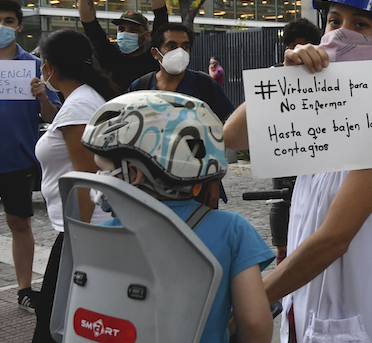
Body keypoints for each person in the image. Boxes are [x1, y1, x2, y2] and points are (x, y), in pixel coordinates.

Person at [223, 0, 372, 343]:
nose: (341, 34)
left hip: (362, 317)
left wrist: (250, 303)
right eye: (334, 21)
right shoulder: (320, 92)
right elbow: (233, 136)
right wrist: (286, 79)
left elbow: (335, 236)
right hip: (307, 307)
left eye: (361, 25)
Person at [82, 90, 274, 343]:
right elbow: (254, 323)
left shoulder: (102, 235)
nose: (97, 179)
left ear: (133, 173)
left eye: (101, 169)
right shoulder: (233, 231)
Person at [32, 30, 120, 343]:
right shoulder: (80, 100)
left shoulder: (80, 104)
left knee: (54, 315)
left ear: (49, 67)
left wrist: (82, 240)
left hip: (80, 230)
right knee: (59, 311)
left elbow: (85, 177)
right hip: (76, 228)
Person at [127, 22, 234, 208]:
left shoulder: (204, 85)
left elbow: (221, 132)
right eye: (171, 46)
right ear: (155, 53)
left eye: (185, 46)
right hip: (150, 183)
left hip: (197, 182)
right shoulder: (140, 87)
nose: (180, 51)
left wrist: (214, 181)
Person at [0, 0, 60, 311]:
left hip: (18, 160)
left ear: (19, 26)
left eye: (8, 21)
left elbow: (53, 116)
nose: (2, 26)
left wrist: (42, 97)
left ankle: (24, 289)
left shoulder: (34, 68)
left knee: (20, 223)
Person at [76, 0, 168, 92]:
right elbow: (89, 23)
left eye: (133, 29)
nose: (126, 33)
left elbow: (161, 15)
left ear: (147, 35)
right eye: (121, 29)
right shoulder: (110, 58)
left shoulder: (153, 58)